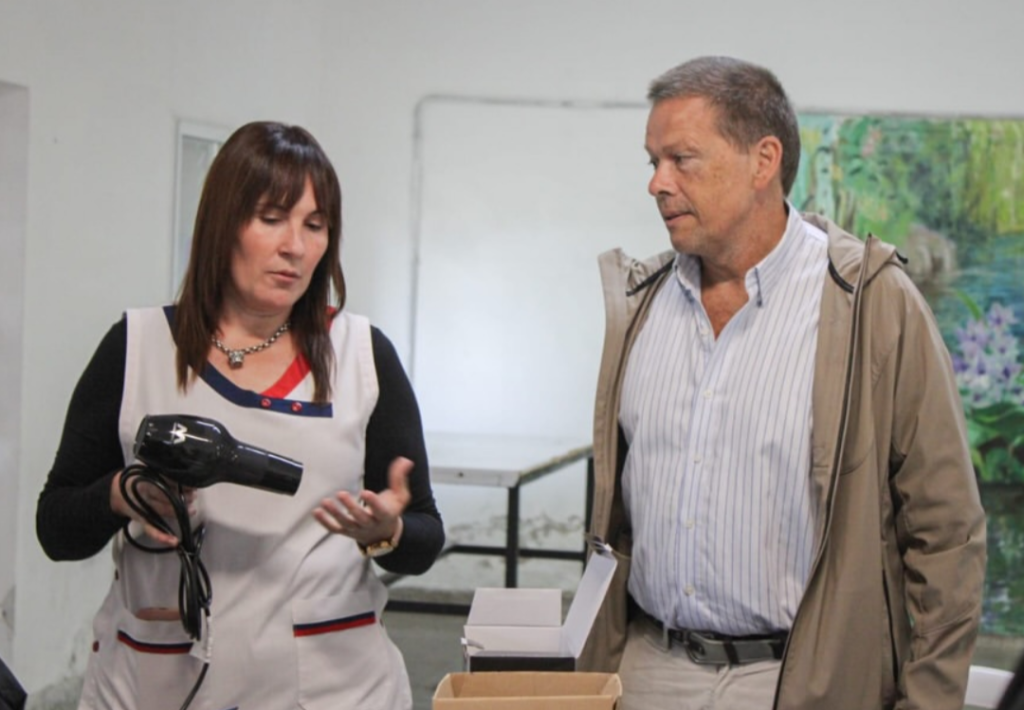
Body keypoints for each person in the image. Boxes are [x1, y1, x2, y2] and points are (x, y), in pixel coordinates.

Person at [580, 56, 986, 710]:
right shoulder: (640, 305)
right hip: (648, 670)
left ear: (763, 161)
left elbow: (947, 531)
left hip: (802, 681)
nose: (657, 183)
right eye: (653, 161)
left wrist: (929, 700)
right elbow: (617, 517)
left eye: (682, 159)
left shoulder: (869, 304)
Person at [36, 121, 444, 710]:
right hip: (155, 681)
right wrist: (122, 495)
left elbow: (424, 536)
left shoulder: (361, 354)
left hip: (333, 687)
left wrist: (386, 532)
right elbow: (55, 529)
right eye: (271, 218)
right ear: (222, 224)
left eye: (315, 225)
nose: (295, 247)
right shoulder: (137, 348)